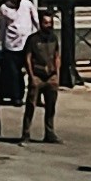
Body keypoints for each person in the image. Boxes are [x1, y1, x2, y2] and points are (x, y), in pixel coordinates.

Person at [20, 10, 62, 143]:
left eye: (50, 23)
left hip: (51, 76)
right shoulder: (33, 39)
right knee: (31, 106)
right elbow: (27, 57)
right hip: (37, 76)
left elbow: (56, 56)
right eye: (45, 23)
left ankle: (50, 133)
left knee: (51, 106)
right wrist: (31, 76)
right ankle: (26, 134)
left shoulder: (54, 38)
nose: (48, 25)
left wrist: (57, 75)